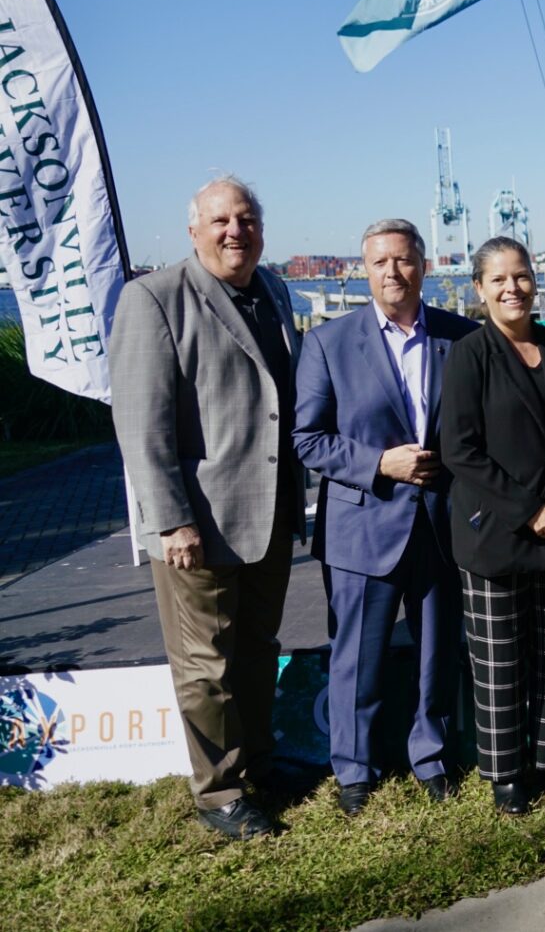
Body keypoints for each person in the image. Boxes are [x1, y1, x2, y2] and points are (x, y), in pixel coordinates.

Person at [109, 176, 304, 839]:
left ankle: (257, 764)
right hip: (199, 522)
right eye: (220, 220)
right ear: (194, 230)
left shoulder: (273, 291)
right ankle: (220, 794)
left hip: (269, 514)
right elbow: (142, 424)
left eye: (246, 219)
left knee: (255, 647)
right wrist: (171, 519)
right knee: (205, 663)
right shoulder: (153, 299)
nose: (234, 231)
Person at [292, 219, 478, 815]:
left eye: (403, 260)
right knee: (357, 658)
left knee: (436, 652)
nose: (392, 272)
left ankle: (432, 757)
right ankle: (354, 769)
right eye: (380, 263)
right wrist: (381, 463)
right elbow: (307, 439)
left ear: (423, 266)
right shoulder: (328, 343)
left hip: (441, 525)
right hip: (362, 525)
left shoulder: (463, 337)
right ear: (364, 270)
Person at [439, 237, 545, 816]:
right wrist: (529, 509)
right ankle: (506, 773)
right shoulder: (470, 354)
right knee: (499, 662)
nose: (513, 288)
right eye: (499, 280)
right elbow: (459, 451)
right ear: (479, 289)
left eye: (523, 276)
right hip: (495, 532)